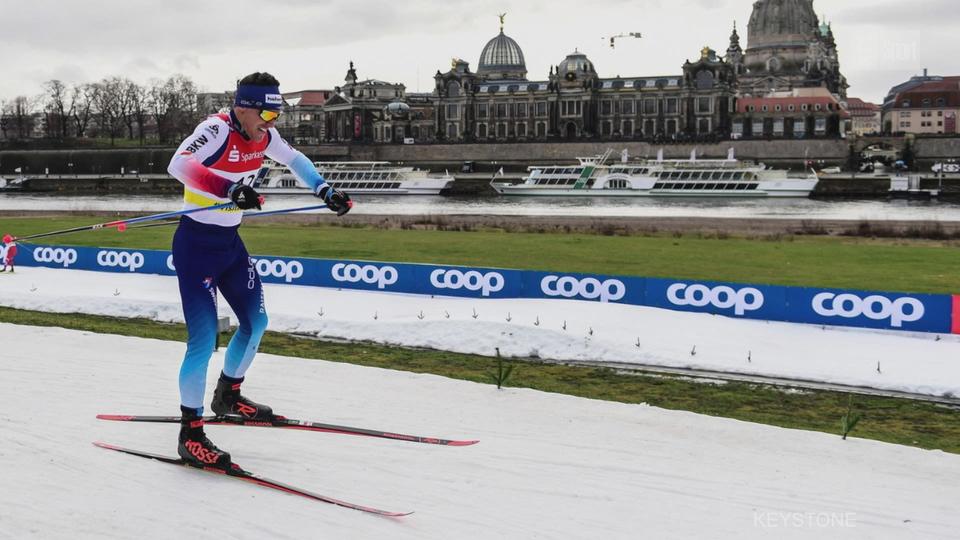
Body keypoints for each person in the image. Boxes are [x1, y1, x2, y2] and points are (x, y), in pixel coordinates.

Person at [167, 72, 351, 468]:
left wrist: (324, 190)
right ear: (244, 107)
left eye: (278, 113)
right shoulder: (216, 130)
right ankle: (191, 434)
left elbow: (296, 159)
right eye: (267, 112)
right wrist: (229, 189)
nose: (272, 121)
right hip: (196, 247)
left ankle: (228, 396)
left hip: (230, 245)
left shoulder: (264, 136)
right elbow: (178, 164)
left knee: (256, 321)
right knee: (203, 343)